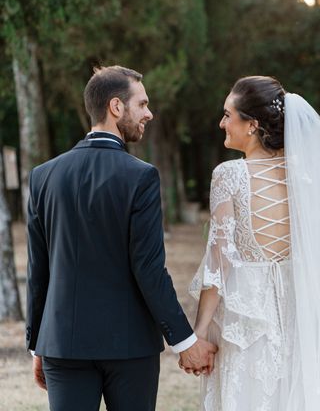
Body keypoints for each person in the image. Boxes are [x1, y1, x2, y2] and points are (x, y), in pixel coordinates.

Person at [26, 65, 216, 411]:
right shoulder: (140, 177)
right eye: (141, 104)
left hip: (62, 344)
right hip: (129, 347)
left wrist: (38, 342)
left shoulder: (43, 176)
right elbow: (148, 268)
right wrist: (185, 340)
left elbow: (39, 270)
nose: (149, 113)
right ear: (116, 107)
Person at [189, 76, 320, 411]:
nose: (221, 123)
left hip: (248, 318)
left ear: (252, 125)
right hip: (301, 311)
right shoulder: (305, 174)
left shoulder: (229, 176)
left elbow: (220, 261)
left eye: (228, 115)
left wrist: (198, 333)